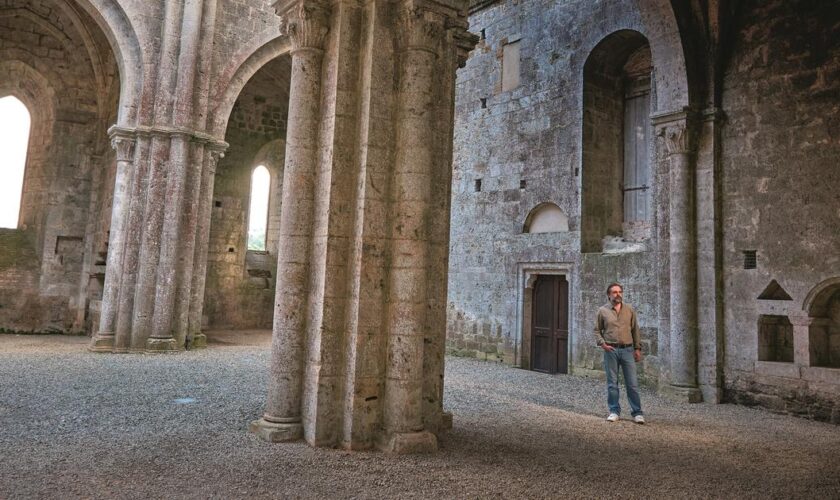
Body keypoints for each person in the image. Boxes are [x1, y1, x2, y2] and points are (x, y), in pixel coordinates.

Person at [593, 282, 645, 424]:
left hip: (628, 350)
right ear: (609, 295)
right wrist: (603, 344)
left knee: (632, 383)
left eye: (620, 292)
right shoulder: (602, 311)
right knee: (612, 384)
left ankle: (637, 413)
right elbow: (597, 330)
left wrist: (637, 348)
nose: (618, 294)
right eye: (615, 292)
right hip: (611, 350)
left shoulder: (629, 310)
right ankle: (614, 411)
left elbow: (635, 330)